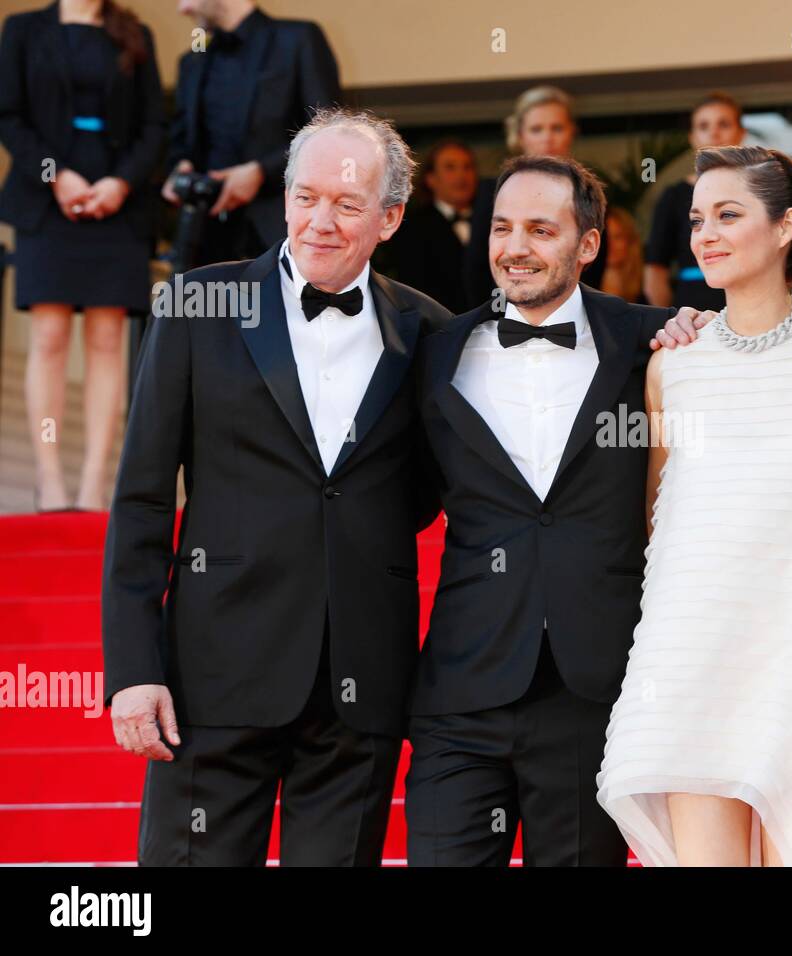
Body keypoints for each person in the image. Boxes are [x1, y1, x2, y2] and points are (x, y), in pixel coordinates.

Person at [404, 154, 792, 865]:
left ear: (589, 244)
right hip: (508, 677)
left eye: (541, 228)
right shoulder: (445, 350)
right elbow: (656, 517)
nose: (516, 246)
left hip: (757, 665)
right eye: (503, 227)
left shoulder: (675, 341)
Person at [102, 108, 453, 866]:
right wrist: (132, 673)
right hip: (213, 676)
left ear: (390, 218)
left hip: (361, 683)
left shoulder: (430, 330)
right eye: (305, 196)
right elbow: (142, 497)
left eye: (348, 204)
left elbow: (421, 493)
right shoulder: (197, 303)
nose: (319, 221)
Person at [596, 145, 792, 866]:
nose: (706, 233)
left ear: (787, 226)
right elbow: (655, 517)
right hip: (695, 655)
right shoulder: (674, 363)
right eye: (698, 219)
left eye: (729, 214)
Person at [0, 0, 164, 512]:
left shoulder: (134, 32)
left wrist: (118, 183)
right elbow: (9, 115)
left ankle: (95, 484)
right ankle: (49, 480)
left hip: (118, 200)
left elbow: (154, 126)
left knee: (107, 338)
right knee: (48, 336)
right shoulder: (23, 29)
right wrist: (57, 175)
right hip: (45, 194)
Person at [163, 0, 340, 266]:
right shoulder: (191, 62)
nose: (183, 9)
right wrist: (180, 167)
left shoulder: (298, 39)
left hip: (282, 227)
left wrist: (260, 172)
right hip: (207, 236)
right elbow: (181, 141)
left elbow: (327, 134)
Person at [461, 85, 607, 307]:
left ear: (572, 132)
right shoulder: (492, 192)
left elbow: (594, 270)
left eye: (557, 128)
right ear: (520, 136)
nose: (547, 138)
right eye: (537, 129)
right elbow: (477, 269)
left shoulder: (589, 192)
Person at [643, 92, 744, 311]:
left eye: (723, 124)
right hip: (692, 308)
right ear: (693, 137)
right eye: (704, 126)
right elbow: (655, 272)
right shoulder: (674, 196)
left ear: (740, 133)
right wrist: (671, 321)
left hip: (749, 300)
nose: (714, 133)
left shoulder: (756, 191)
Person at [381, 138, 477, 313]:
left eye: (467, 167)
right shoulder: (412, 227)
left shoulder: (492, 220)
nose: (461, 175)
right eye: (450, 167)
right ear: (431, 179)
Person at [600, 206, 646, 303]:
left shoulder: (645, 292)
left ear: (630, 241)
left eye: (618, 237)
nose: (610, 244)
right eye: (605, 238)